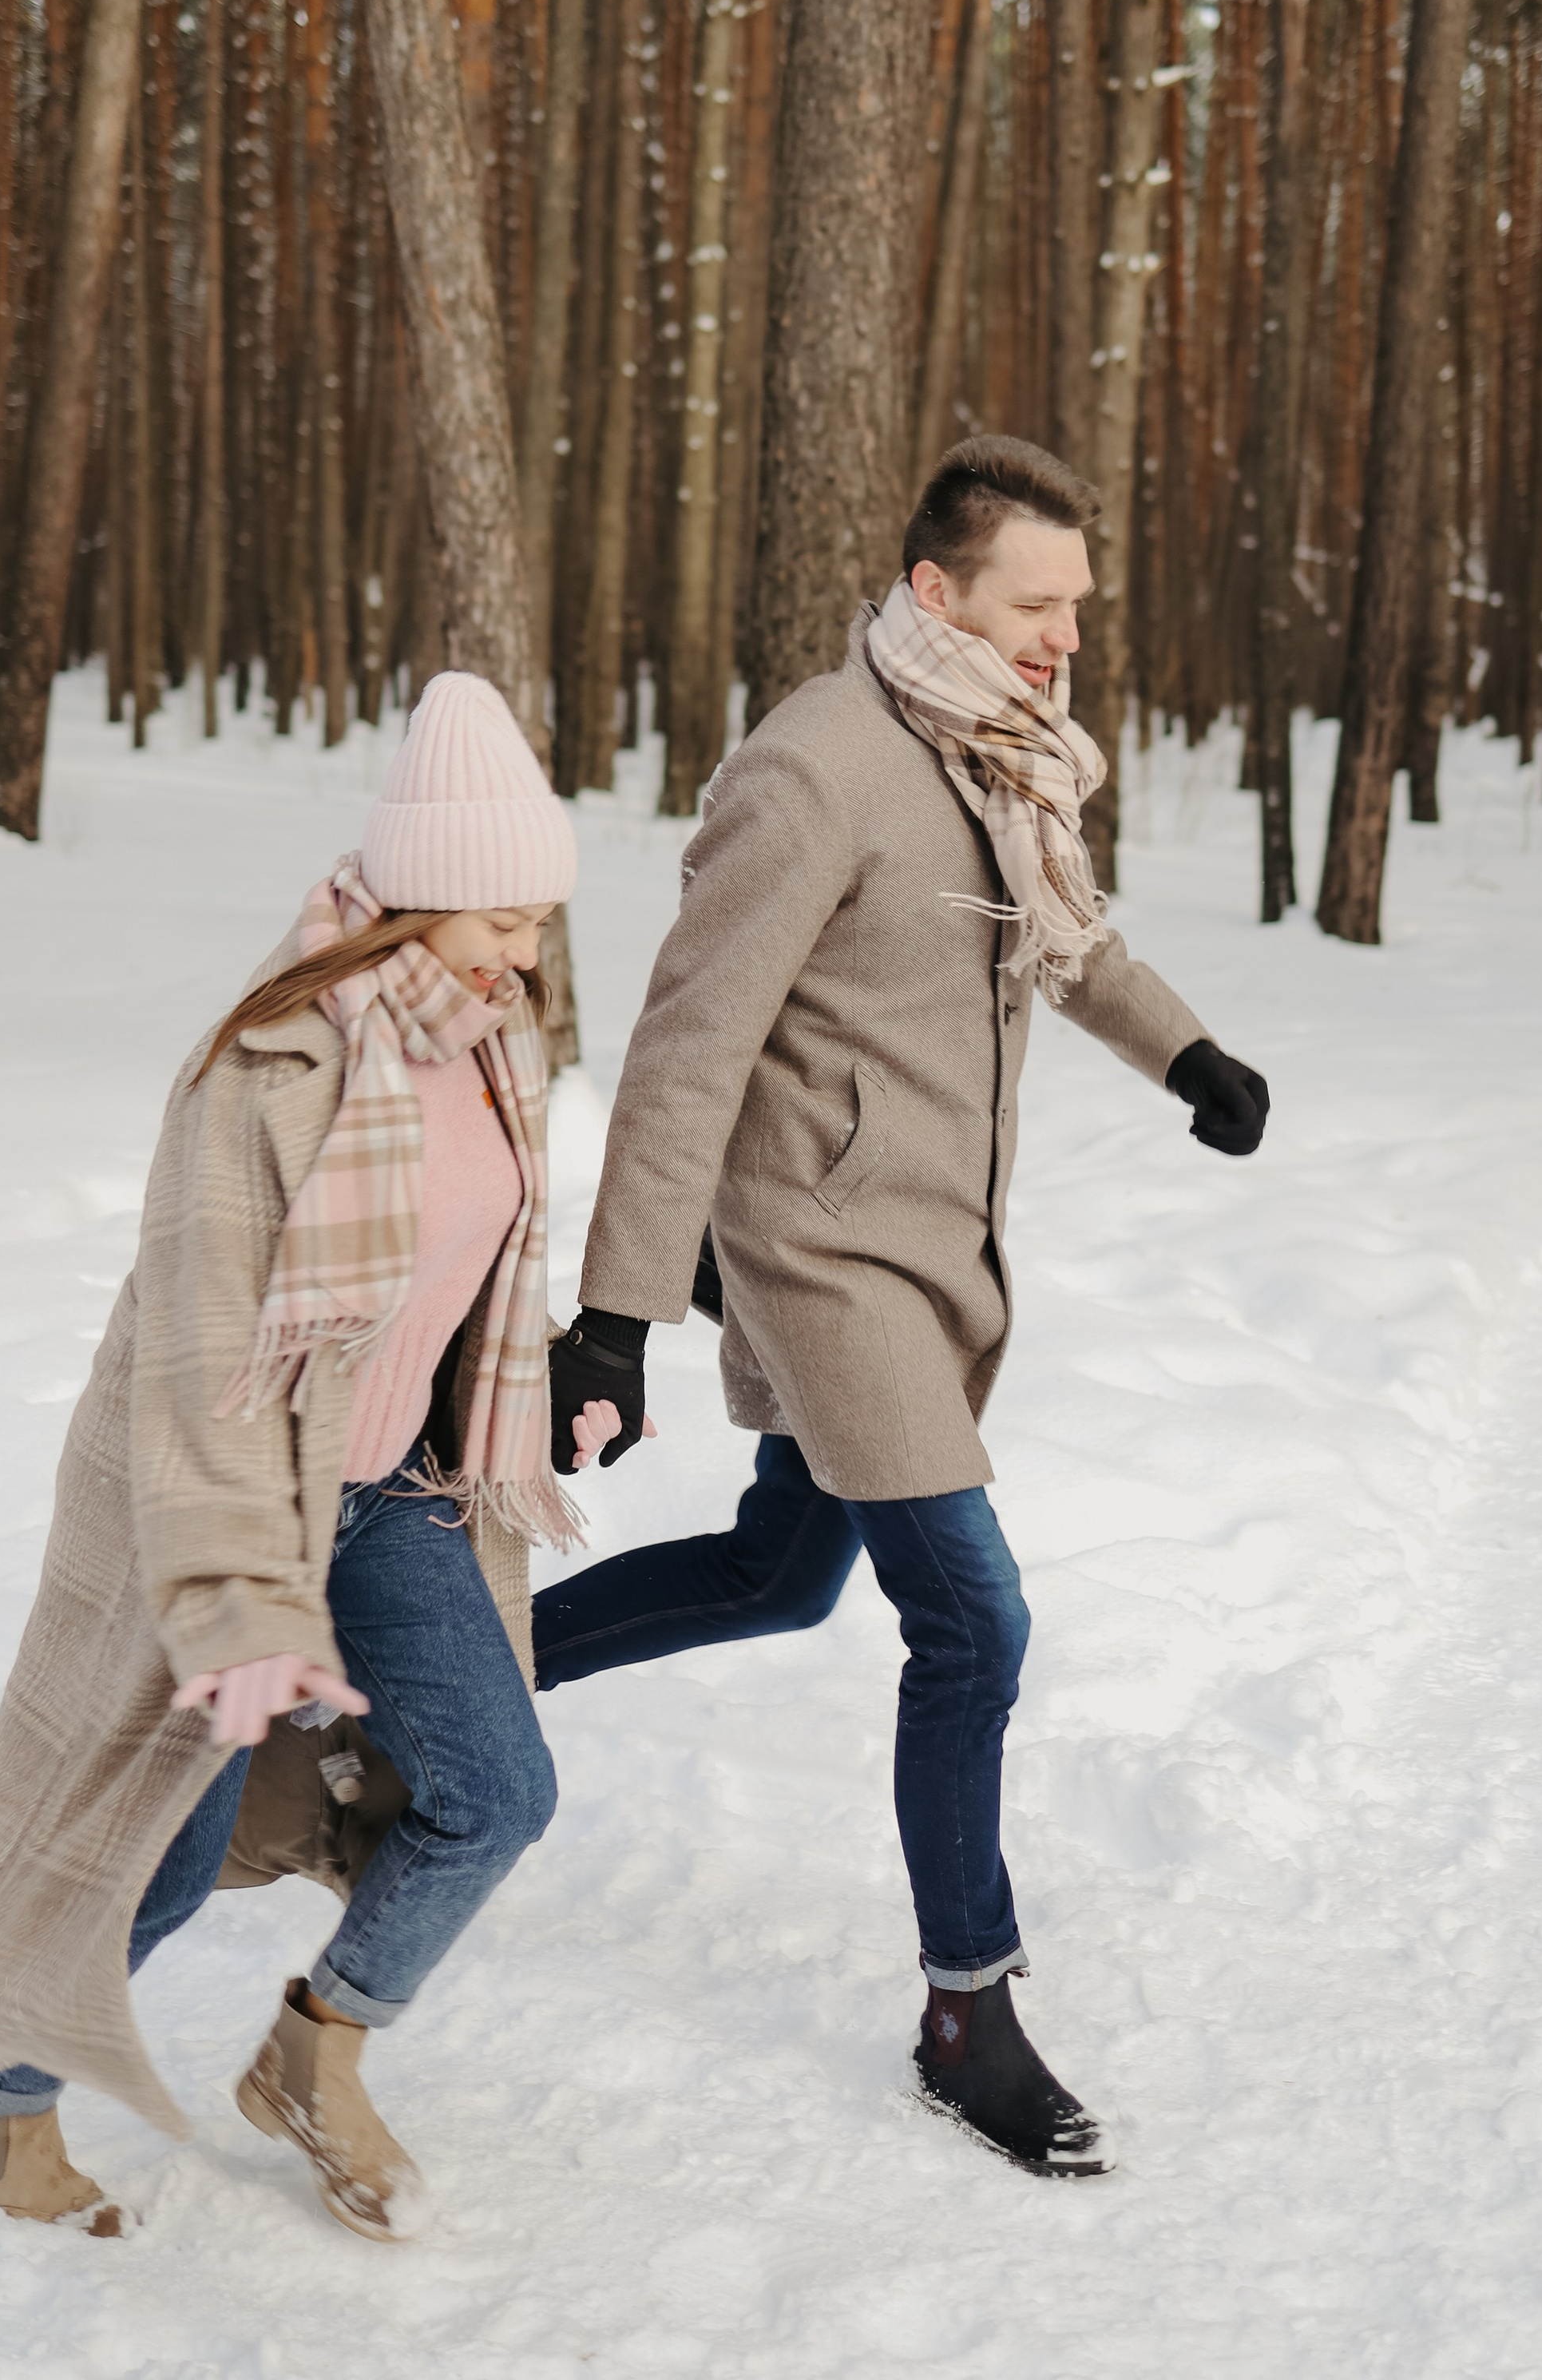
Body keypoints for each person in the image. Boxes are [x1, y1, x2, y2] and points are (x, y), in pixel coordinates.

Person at [534, 435, 1270, 2179]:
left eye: (1079, 608)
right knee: (975, 1625)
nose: (1065, 638)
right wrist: (617, 1311)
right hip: (821, 1252)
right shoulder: (813, 771)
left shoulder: (1000, 758)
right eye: (1036, 604)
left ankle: (442, 1686)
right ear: (936, 592)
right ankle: (965, 2009)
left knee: (776, 1578)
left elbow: (1063, 938)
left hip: (935, 1249)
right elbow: (687, 1044)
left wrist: (1184, 1050)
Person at [0, 672, 634, 2242]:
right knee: (150, 1863)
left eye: (537, 925)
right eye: (508, 921)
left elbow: (471, 1255)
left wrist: (539, 1383)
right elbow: (202, 1372)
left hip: (390, 1496)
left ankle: (317, 2055)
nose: (529, 958)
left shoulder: (484, 1040)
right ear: (424, 896)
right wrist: (239, 1605)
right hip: (224, 1515)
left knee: (497, 1792)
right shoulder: (271, 1069)